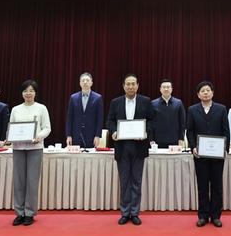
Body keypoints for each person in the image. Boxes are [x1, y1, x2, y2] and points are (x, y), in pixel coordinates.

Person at [108, 74, 155, 225]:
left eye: (133, 84)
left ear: (137, 85)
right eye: (128, 84)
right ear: (123, 86)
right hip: (122, 146)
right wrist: (114, 132)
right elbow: (110, 121)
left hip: (139, 146)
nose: (130, 86)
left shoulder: (145, 101)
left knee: (136, 181)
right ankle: (124, 212)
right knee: (124, 181)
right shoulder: (115, 102)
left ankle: (134, 213)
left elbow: (151, 121)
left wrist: (145, 132)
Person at [187, 81, 230, 228]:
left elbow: (226, 130)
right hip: (200, 155)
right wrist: (193, 146)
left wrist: (225, 148)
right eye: (202, 91)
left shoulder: (221, 109)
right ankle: (203, 216)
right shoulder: (192, 110)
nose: (205, 93)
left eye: (208, 90)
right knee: (202, 186)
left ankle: (216, 216)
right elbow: (190, 131)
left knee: (217, 186)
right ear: (198, 94)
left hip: (217, 155)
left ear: (212, 93)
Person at [9, 80, 51, 226]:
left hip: (35, 148)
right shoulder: (15, 109)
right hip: (18, 148)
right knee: (19, 181)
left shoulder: (41, 108)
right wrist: (9, 138)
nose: (28, 93)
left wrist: (38, 137)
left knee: (32, 181)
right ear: (22, 93)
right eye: (26, 91)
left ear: (35, 93)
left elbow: (47, 127)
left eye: (31, 91)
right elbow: (11, 128)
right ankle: (19, 212)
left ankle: (29, 213)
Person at [66, 72, 104, 148]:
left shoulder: (98, 98)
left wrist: (97, 135)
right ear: (80, 83)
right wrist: (68, 135)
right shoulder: (73, 98)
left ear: (91, 83)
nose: (85, 82)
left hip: (92, 136)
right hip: (76, 135)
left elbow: (100, 119)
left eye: (87, 80)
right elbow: (69, 118)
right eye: (83, 80)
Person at [151, 79, 186, 148]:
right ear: (160, 89)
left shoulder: (178, 103)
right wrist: (151, 139)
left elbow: (182, 122)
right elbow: (151, 123)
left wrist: (181, 138)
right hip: (158, 140)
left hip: (175, 140)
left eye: (168, 87)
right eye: (164, 87)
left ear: (172, 89)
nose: (166, 89)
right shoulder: (153, 104)